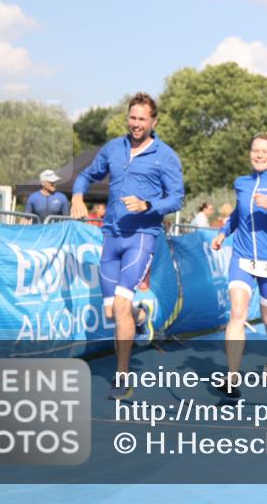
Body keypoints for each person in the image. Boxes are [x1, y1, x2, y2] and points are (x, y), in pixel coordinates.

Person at [71, 93, 184, 400]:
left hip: (142, 237)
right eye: (132, 118)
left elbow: (176, 198)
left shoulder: (165, 156)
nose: (136, 124)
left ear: (153, 122)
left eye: (142, 119)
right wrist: (78, 195)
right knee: (113, 312)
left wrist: (148, 204)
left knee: (120, 307)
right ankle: (139, 317)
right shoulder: (113, 148)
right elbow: (85, 175)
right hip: (111, 236)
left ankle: (122, 378)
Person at [211, 133, 267, 398]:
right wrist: (222, 232)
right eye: (255, 150)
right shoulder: (241, 183)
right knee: (237, 313)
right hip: (241, 256)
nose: (259, 155)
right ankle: (232, 377)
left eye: (265, 151)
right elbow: (238, 215)